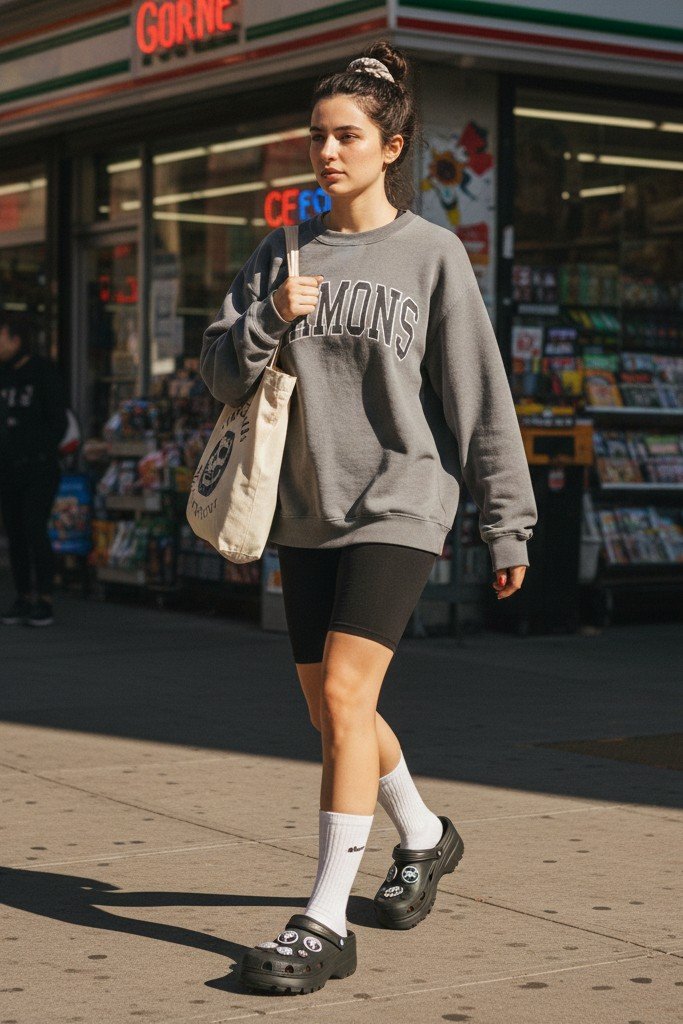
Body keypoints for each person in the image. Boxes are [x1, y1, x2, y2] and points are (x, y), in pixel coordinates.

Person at [200, 40, 538, 995]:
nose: (327, 152)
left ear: (391, 147)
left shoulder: (431, 254)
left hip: (399, 501)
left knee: (346, 700)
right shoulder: (283, 252)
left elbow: (478, 394)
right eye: (317, 135)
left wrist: (506, 519)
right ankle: (423, 835)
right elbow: (219, 374)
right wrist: (268, 315)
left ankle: (323, 920)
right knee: (328, 709)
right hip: (308, 508)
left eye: (347, 136)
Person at [0, 312, 67, 627]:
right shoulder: (2, 374)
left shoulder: (43, 372)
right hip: (8, 467)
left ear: (16, 340)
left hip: (39, 467)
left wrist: (40, 448)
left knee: (33, 527)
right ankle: (23, 596)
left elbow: (58, 421)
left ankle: (45, 598)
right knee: (14, 532)